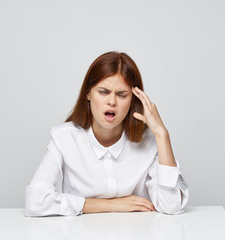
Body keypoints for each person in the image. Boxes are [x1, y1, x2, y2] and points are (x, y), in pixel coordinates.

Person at [25, 51, 189, 216]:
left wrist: (162, 134)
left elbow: (171, 206)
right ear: (88, 93)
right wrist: (109, 205)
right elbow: (35, 201)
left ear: (133, 99)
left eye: (122, 95)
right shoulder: (64, 138)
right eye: (103, 92)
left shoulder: (149, 142)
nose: (112, 101)